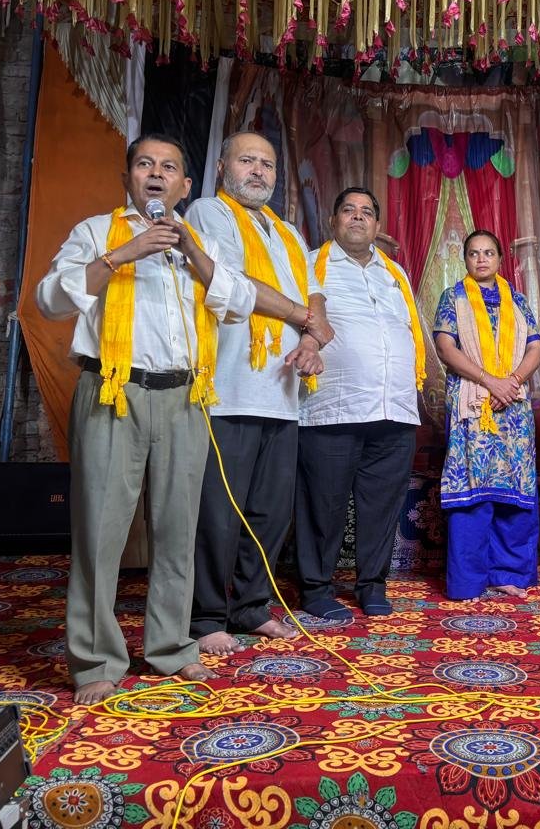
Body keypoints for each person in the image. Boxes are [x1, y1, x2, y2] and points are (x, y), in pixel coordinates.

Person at [36, 134, 333, 704]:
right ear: (128, 176)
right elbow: (50, 301)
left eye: (169, 167)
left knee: (178, 530)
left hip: (185, 397)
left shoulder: (197, 242)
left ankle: (171, 646)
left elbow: (237, 300)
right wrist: (122, 254)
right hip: (114, 390)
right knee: (101, 532)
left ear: (184, 185)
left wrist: (193, 254)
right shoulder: (97, 232)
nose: (157, 174)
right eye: (145, 164)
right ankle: (96, 659)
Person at [185, 132, 324, 655]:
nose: (259, 171)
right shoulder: (209, 213)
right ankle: (205, 616)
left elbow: (314, 295)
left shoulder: (287, 232)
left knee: (269, 513)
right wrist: (302, 317)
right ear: (223, 167)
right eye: (247, 160)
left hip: (282, 395)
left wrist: (311, 339)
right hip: (228, 390)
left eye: (267, 163)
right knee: (218, 513)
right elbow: (232, 281)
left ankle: (251, 606)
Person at [296, 187, 423, 618]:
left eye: (366, 212)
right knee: (323, 505)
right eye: (348, 209)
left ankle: (372, 584)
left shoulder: (395, 273)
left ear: (377, 225)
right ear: (333, 220)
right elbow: (296, 321)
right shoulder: (311, 264)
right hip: (333, 407)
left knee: (381, 505)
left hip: (394, 408)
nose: (357, 216)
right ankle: (316, 588)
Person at [433, 230, 540, 600]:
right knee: (473, 494)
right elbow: (445, 347)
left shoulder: (518, 300)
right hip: (472, 404)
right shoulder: (453, 297)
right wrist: (490, 382)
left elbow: (535, 348)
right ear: (464, 259)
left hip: (513, 406)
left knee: (514, 493)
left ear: (499, 258)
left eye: (488, 253)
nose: (481, 259)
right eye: (473, 253)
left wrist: (510, 382)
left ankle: (508, 573)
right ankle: (468, 581)